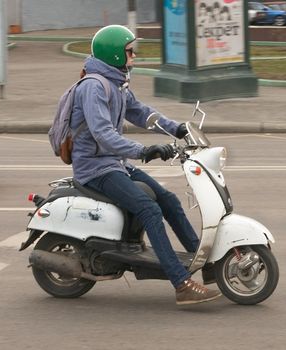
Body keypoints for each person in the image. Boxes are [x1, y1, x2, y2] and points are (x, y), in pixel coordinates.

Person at [70, 25, 221, 306]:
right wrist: (144, 150)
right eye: (129, 51)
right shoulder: (93, 87)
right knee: (149, 209)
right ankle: (181, 284)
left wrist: (176, 129)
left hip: (114, 163)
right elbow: (103, 134)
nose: (134, 56)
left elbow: (141, 113)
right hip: (95, 168)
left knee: (169, 200)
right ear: (114, 54)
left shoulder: (115, 82)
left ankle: (206, 265)